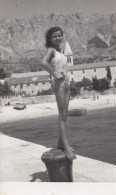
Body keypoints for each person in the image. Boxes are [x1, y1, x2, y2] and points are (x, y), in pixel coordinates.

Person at [40, 26, 76, 160]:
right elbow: (43, 63)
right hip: (59, 84)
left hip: (67, 84)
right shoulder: (51, 50)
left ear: (62, 36)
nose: (57, 38)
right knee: (62, 116)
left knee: (65, 115)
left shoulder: (60, 51)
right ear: (50, 39)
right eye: (54, 36)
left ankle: (60, 144)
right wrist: (55, 74)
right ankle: (66, 148)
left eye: (59, 35)